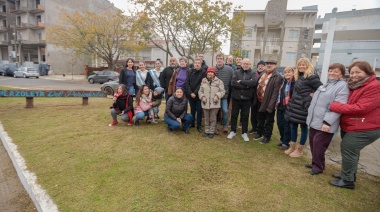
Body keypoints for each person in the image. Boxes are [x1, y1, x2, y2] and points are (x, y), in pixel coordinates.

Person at [328, 61, 380, 189]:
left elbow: (361, 108)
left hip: (366, 126)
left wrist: (334, 105)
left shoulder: (374, 87)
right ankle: (349, 175)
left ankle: (347, 181)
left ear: (367, 72)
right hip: (354, 124)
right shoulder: (354, 85)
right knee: (352, 151)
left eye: (358, 72)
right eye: (352, 72)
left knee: (349, 148)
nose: (354, 75)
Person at [305, 63, 349, 175]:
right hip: (315, 120)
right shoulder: (326, 84)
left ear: (341, 74)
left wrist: (327, 122)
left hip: (325, 123)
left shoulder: (342, 86)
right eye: (330, 71)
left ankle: (318, 167)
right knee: (313, 143)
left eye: (336, 71)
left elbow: (338, 106)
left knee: (319, 145)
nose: (332, 73)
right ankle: (315, 162)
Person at [285, 58, 322, 157]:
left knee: (303, 127)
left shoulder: (311, 76)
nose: (301, 66)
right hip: (295, 106)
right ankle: (292, 147)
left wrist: (312, 95)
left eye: (303, 65)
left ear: (308, 65)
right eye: (299, 65)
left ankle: (300, 150)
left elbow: (322, 89)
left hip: (304, 107)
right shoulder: (299, 76)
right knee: (293, 126)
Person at [253, 59, 283, 144]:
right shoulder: (263, 73)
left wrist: (271, 105)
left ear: (275, 65)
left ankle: (267, 136)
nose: (269, 65)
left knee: (269, 121)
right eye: (268, 64)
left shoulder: (277, 76)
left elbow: (275, 93)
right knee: (260, 118)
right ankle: (259, 133)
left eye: (271, 64)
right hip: (260, 100)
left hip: (269, 102)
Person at [227, 58, 257, 142]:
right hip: (236, 98)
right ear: (241, 64)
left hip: (247, 99)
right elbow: (233, 83)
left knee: (245, 116)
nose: (245, 65)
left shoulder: (253, 73)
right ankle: (233, 131)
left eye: (247, 64)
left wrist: (241, 81)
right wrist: (247, 84)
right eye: (244, 63)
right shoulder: (236, 72)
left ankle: (244, 132)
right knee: (234, 115)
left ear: (250, 65)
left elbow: (253, 83)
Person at [199, 67, 225, 138]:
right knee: (206, 118)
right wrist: (202, 96)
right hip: (205, 103)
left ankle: (211, 131)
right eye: (208, 72)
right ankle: (206, 131)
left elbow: (222, 91)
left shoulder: (219, 82)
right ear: (207, 73)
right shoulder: (204, 81)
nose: (210, 73)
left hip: (214, 103)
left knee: (212, 118)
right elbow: (200, 91)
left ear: (214, 74)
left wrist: (217, 95)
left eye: (211, 72)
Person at [275, 67, 295, 150]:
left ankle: (286, 142)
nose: (287, 73)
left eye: (289, 72)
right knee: (280, 124)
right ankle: (282, 139)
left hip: (289, 107)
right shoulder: (283, 82)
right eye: (285, 72)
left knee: (287, 125)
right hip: (280, 106)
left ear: (293, 73)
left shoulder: (294, 82)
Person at [215, 53, 234, 133]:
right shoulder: (212, 69)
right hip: (214, 95)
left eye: (221, 58)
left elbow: (234, 79)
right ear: (216, 59)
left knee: (225, 111)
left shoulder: (229, 69)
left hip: (224, 95)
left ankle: (225, 125)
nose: (219, 60)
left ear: (223, 60)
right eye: (218, 58)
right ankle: (214, 126)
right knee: (214, 111)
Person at [186, 58, 206, 132]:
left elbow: (201, 84)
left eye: (198, 63)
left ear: (200, 64)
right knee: (192, 110)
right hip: (190, 95)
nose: (197, 64)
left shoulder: (203, 72)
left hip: (198, 95)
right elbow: (187, 83)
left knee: (199, 110)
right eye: (196, 63)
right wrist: (190, 92)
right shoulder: (190, 71)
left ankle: (199, 125)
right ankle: (192, 123)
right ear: (194, 64)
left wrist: (195, 93)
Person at [249, 60, 266, 134]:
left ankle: (260, 129)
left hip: (262, 97)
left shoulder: (266, 74)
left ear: (264, 67)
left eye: (262, 66)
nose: (260, 67)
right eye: (259, 66)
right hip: (253, 96)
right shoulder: (253, 73)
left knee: (260, 114)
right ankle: (254, 128)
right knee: (253, 114)